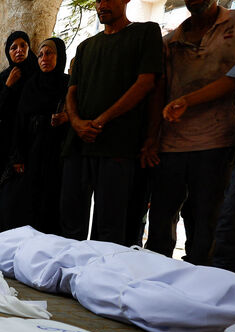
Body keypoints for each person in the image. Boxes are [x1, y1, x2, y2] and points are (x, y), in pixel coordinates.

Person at [142, 0, 235, 265]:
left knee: (207, 226)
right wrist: (151, 139)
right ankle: (154, 284)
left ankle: (203, 289)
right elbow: (158, 93)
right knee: (161, 224)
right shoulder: (171, 42)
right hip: (171, 144)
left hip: (218, 141)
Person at [60, 0, 163, 245]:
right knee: (70, 221)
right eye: (98, 0)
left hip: (119, 144)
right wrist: (76, 123)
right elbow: (71, 92)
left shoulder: (145, 32)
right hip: (79, 143)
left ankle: (101, 280)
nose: (102, 4)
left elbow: (147, 83)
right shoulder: (86, 46)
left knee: (110, 226)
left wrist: (101, 121)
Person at [0, 38, 70, 235]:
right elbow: (20, 120)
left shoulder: (66, 84)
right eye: (41, 55)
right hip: (32, 151)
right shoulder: (31, 85)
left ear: (59, 56)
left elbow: (78, 112)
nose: (44, 59)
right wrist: (18, 156)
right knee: (24, 202)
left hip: (57, 152)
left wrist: (66, 117)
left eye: (50, 54)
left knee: (53, 201)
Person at [0, 31, 39, 235]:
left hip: (33, 142)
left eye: (23, 45)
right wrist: (8, 86)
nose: (19, 50)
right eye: (13, 47)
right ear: (8, 51)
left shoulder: (38, 75)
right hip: (8, 142)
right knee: (3, 193)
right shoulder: (2, 80)